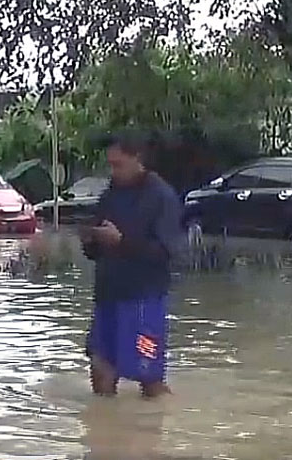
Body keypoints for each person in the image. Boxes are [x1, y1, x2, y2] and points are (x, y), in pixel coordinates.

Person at [81, 130, 186, 398]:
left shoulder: (161, 197)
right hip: (107, 297)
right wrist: (91, 240)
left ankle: (155, 431)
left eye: (119, 165)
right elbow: (96, 246)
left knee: (149, 377)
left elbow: (165, 252)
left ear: (137, 158)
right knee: (100, 367)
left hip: (143, 302)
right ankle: (105, 434)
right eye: (110, 165)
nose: (113, 172)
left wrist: (121, 241)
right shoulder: (110, 195)